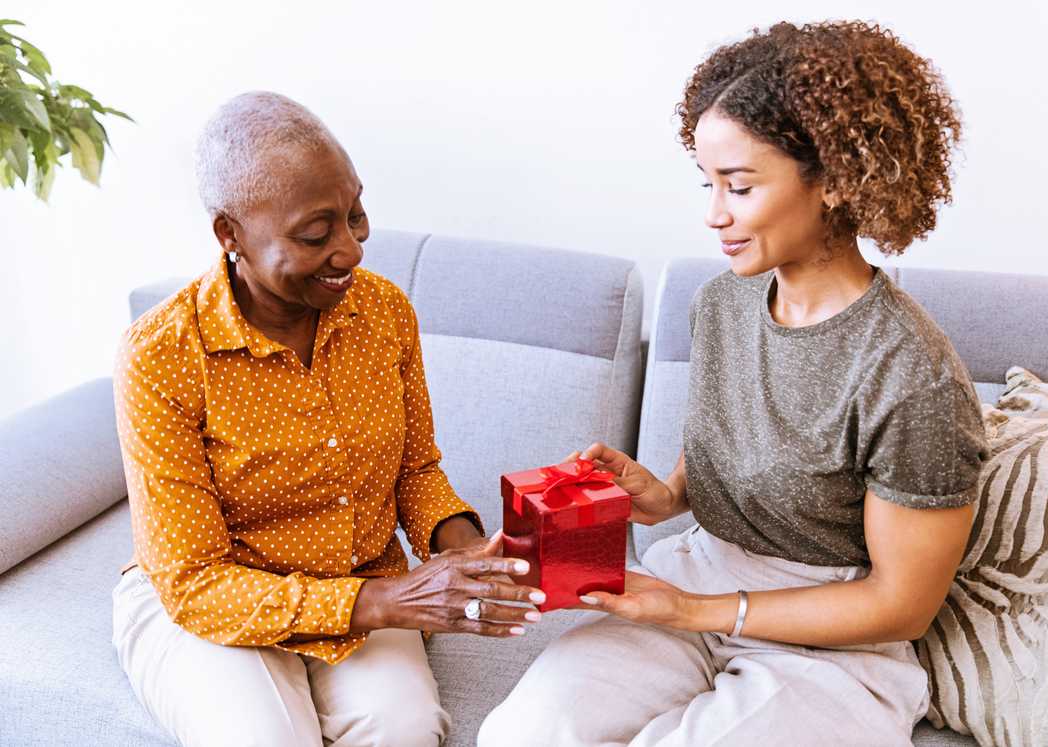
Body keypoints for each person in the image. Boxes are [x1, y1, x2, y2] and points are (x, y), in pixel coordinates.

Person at [479, 21, 989, 746]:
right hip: (701, 572)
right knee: (524, 733)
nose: (714, 214)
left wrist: (692, 610)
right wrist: (667, 495)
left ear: (837, 182)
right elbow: (739, 434)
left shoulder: (914, 378)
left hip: (833, 642)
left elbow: (900, 603)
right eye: (709, 183)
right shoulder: (723, 302)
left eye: (740, 186)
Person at [111, 91, 544, 747]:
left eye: (356, 215)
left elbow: (416, 471)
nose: (350, 250)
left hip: (363, 574)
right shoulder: (163, 355)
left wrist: (465, 551)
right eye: (316, 235)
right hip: (210, 602)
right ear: (231, 234)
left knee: (407, 729)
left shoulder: (384, 312)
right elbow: (194, 581)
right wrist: (382, 603)